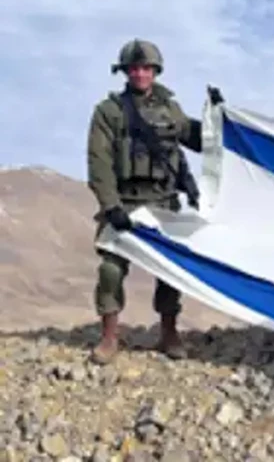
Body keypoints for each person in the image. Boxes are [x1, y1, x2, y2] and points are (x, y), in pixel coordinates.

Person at [86, 38, 203, 365]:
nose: (140, 74)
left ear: (155, 71)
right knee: (110, 269)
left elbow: (197, 138)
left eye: (146, 68)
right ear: (125, 72)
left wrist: (220, 120)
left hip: (163, 202)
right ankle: (109, 336)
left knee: (169, 271)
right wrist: (111, 205)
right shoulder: (108, 112)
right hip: (124, 201)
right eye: (134, 68)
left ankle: (169, 333)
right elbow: (98, 161)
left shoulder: (170, 108)